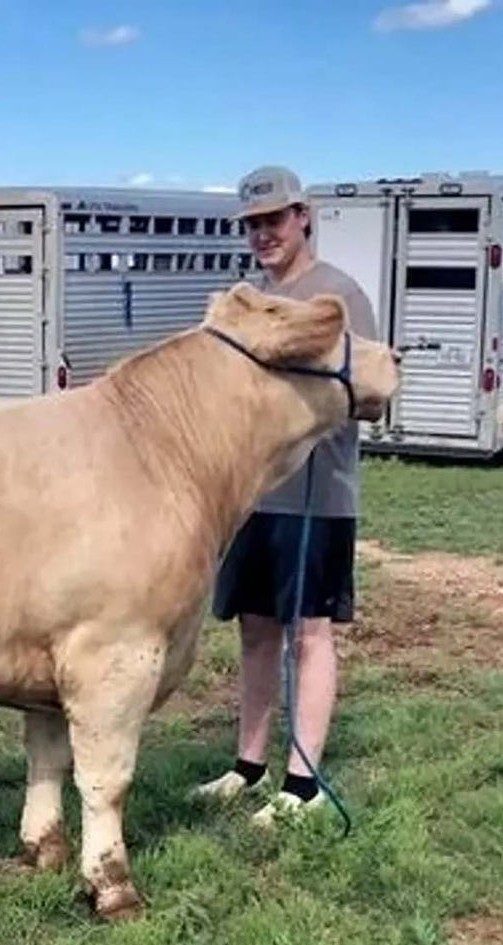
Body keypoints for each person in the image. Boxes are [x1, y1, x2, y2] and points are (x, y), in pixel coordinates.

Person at [191, 165, 378, 826]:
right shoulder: (249, 303)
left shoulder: (337, 297)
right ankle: (249, 766)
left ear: (304, 217)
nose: (263, 234)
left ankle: (303, 785)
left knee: (312, 631)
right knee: (255, 630)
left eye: (274, 220)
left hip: (316, 497)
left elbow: (366, 390)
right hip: (255, 496)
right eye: (253, 225)